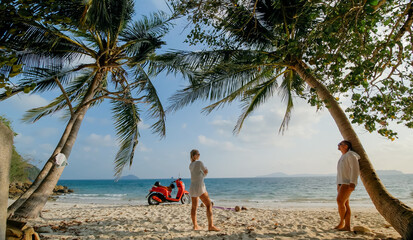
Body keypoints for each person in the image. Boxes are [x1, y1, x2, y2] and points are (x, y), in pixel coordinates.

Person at [189, 149, 220, 231]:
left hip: (192, 187)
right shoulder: (199, 163)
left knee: (194, 207)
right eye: (198, 154)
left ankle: (195, 226)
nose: (199, 155)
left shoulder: (190, 165)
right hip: (199, 186)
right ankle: (211, 226)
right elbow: (205, 172)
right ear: (194, 155)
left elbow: (198, 174)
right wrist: (205, 172)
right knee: (209, 204)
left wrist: (203, 173)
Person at [335, 140, 360, 231]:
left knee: (340, 201)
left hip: (347, 182)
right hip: (342, 183)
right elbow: (340, 172)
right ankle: (347, 226)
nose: (338, 145)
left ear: (346, 146)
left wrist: (353, 183)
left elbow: (355, 169)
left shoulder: (351, 155)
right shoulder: (343, 156)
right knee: (345, 204)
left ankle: (342, 223)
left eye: (340, 144)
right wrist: (338, 184)